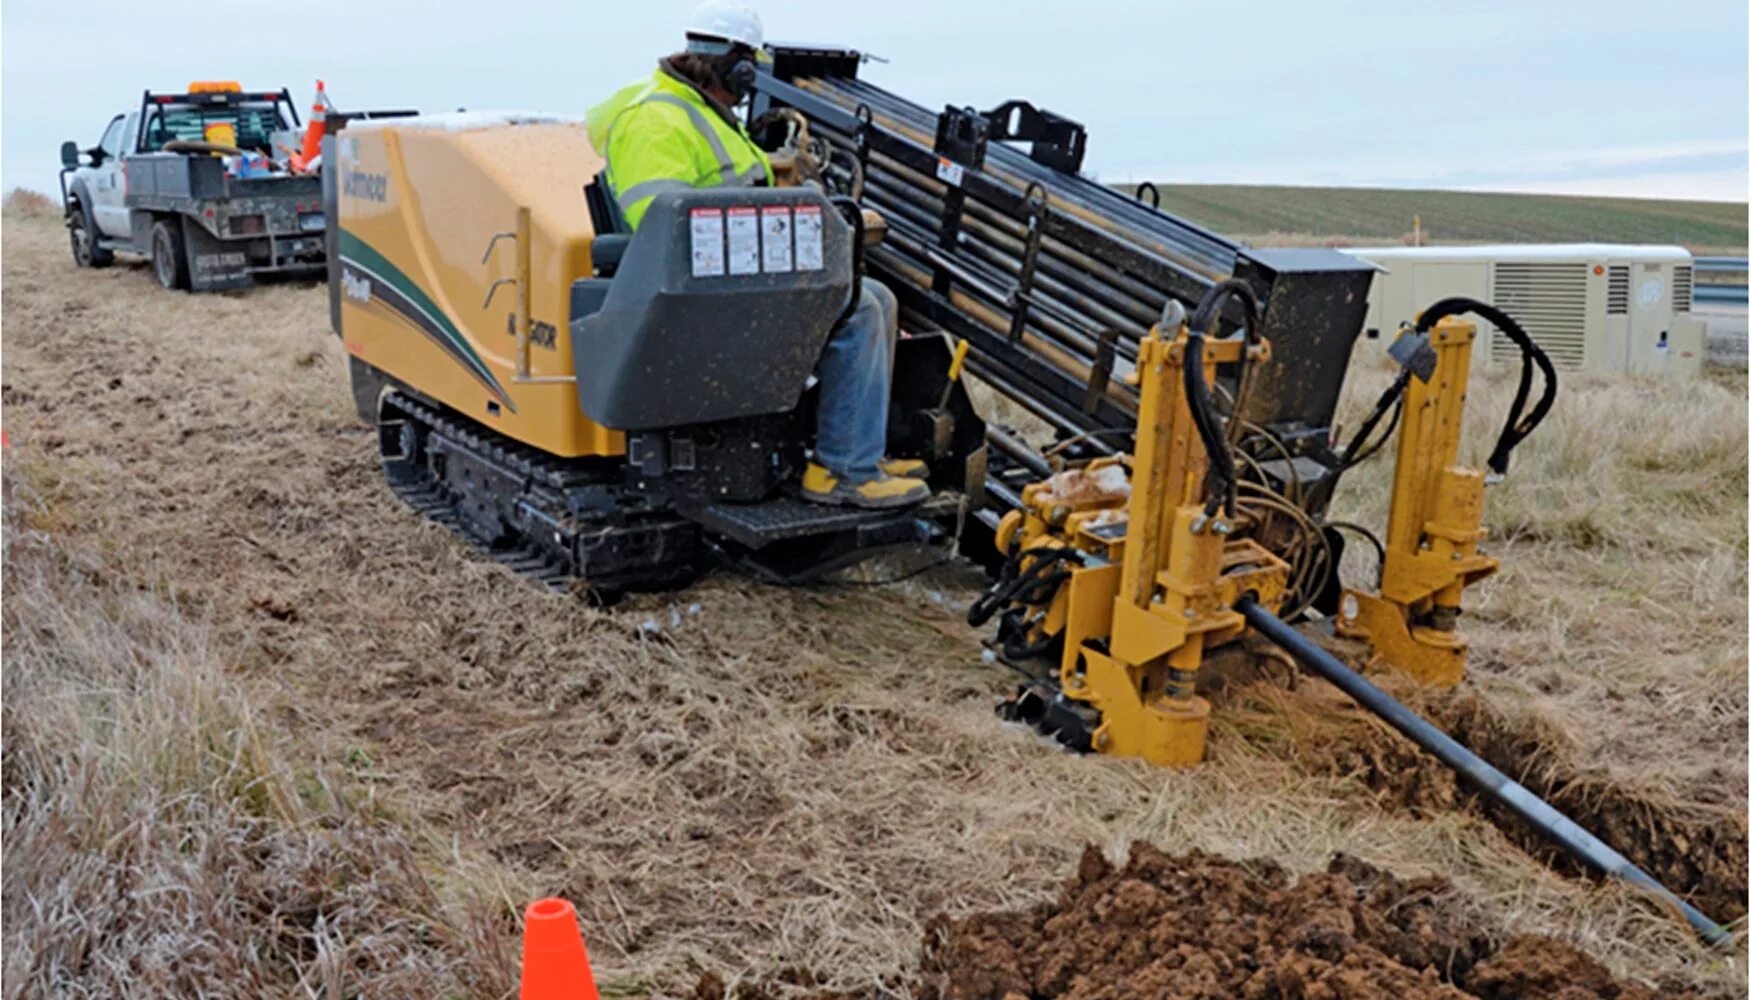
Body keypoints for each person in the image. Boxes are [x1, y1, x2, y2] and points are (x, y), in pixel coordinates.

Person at [585, 0, 930, 510]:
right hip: (691, 286)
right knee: (858, 307)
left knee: (873, 297)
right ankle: (843, 471)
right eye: (750, 66)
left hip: (726, 272)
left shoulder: (704, 112)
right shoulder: (656, 118)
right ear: (737, 66)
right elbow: (663, 222)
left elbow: (730, 186)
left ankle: (855, 454)